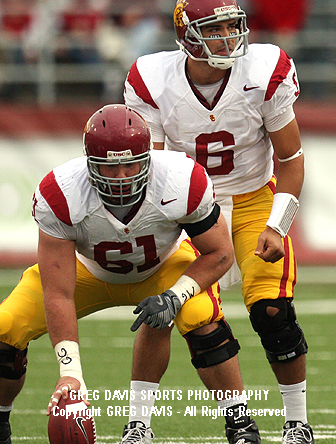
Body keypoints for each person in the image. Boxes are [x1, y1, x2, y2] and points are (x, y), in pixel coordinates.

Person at [0, 104, 262, 444]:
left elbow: (221, 253)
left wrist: (174, 295)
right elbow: (58, 293)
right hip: (88, 271)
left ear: (149, 158)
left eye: (130, 163)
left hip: (162, 266)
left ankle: (238, 422)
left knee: (201, 316)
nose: (122, 175)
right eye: (110, 167)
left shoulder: (181, 180)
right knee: (6, 327)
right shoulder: (61, 193)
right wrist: (71, 374)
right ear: (90, 164)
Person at [124, 0, 314, 444]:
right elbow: (149, 166)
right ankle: (140, 425)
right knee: (170, 312)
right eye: (217, 28)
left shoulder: (264, 69)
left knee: (273, 312)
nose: (230, 37)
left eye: (234, 25)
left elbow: (290, 159)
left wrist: (278, 222)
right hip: (189, 209)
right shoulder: (153, 79)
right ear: (187, 37)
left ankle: (297, 423)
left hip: (253, 199)